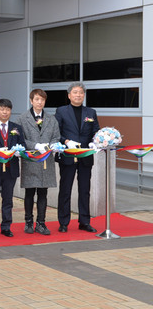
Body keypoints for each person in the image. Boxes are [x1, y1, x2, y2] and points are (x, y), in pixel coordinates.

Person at [55, 82, 100, 233]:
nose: (78, 95)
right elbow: (56, 133)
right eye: (75, 92)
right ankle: (63, 222)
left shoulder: (91, 112)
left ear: (84, 95)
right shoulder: (61, 111)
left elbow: (96, 131)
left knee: (85, 190)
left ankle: (84, 221)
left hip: (85, 157)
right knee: (65, 189)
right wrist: (66, 142)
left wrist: (96, 142)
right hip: (68, 156)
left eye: (81, 92)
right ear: (69, 95)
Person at [18, 89, 60, 235]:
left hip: (46, 161)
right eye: (36, 99)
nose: (39, 102)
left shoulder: (51, 119)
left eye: (42, 100)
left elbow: (56, 136)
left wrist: (54, 145)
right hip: (30, 159)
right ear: (31, 101)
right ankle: (28, 221)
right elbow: (20, 139)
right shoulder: (23, 118)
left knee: (43, 193)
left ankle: (41, 223)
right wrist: (35, 145)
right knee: (29, 193)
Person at [0, 99, 25, 237]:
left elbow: (22, 144)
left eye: (7, 109)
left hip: (10, 169)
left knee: (8, 199)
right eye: (2, 109)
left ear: (10, 111)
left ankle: (6, 226)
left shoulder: (17, 127)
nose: (5, 112)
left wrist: (20, 151)